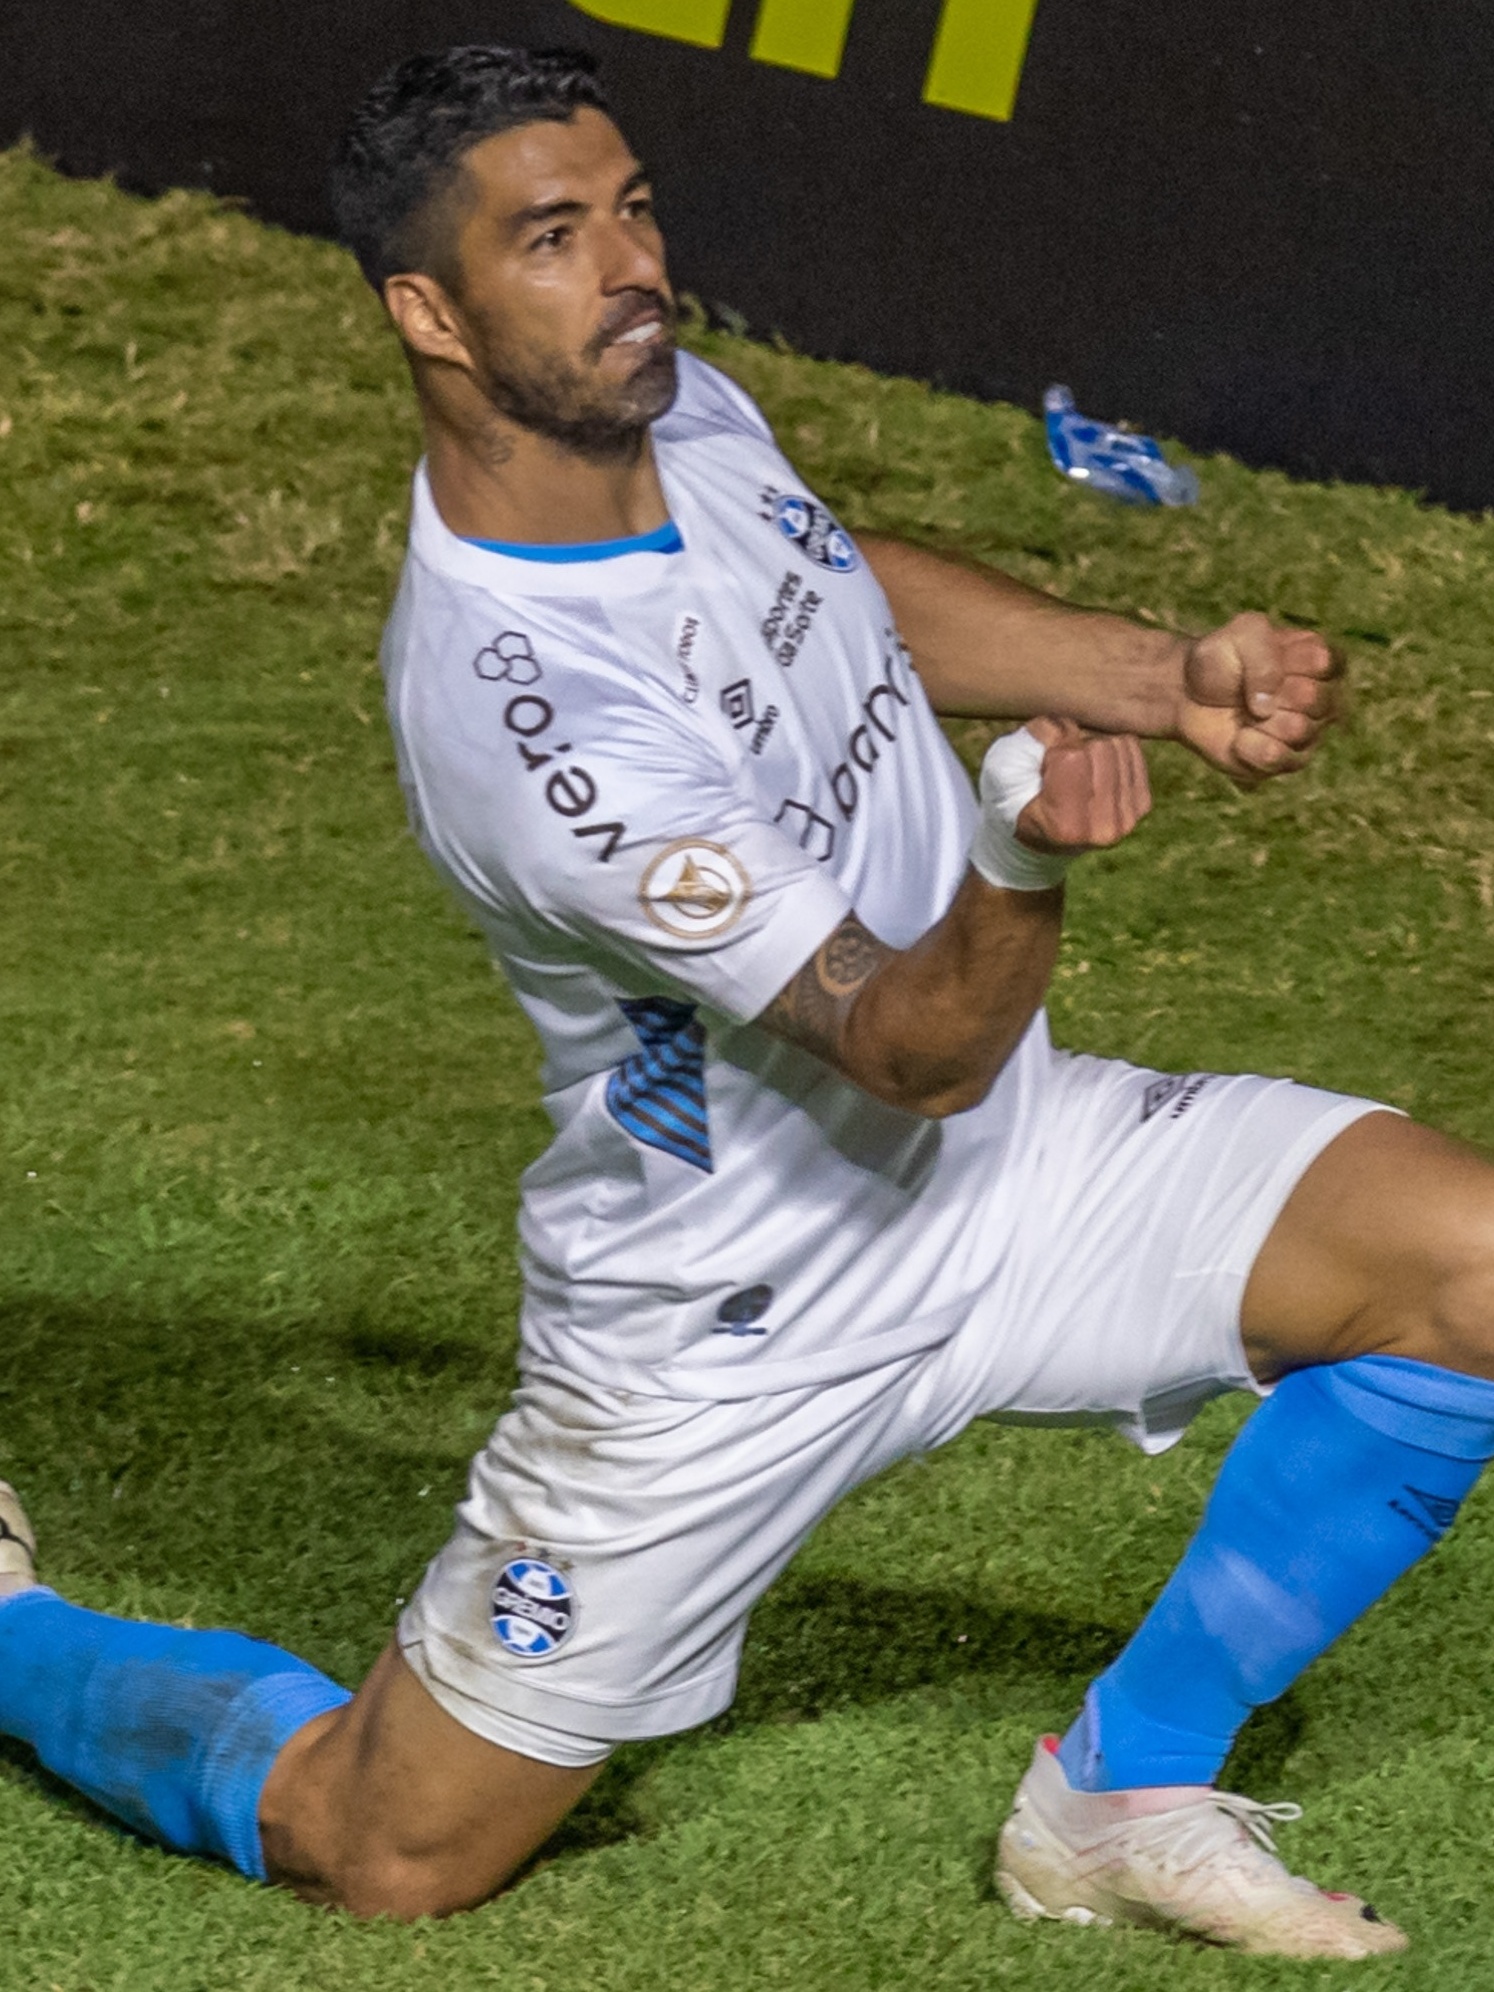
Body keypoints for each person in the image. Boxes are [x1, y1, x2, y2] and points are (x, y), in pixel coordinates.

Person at [2, 43, 1493, 1960]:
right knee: (391, 1846)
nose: (629, 267)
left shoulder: (672, 409)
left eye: (631, 207)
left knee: (1468, 1277)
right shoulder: (525, 713)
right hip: (725, 1327)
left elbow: (819, 576)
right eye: (553, 237)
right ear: (427, 312)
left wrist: (1144, 675)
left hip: (1017, 1179)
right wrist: (1016, 855)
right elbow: (909, 1044)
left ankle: (1122, 1790)